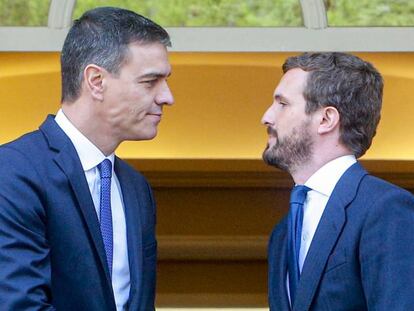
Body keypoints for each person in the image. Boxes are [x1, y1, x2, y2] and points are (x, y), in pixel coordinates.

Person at [0, 7, 173, 310]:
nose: (166, 97)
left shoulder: (136, 188)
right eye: (150, 82)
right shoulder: (14, 172)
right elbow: (20, 303)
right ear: (96, 81)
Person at [262, 52, 414, 310]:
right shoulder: (283, 231)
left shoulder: (386, 209)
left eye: (283, 104)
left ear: (326, 119)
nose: (266, 117)